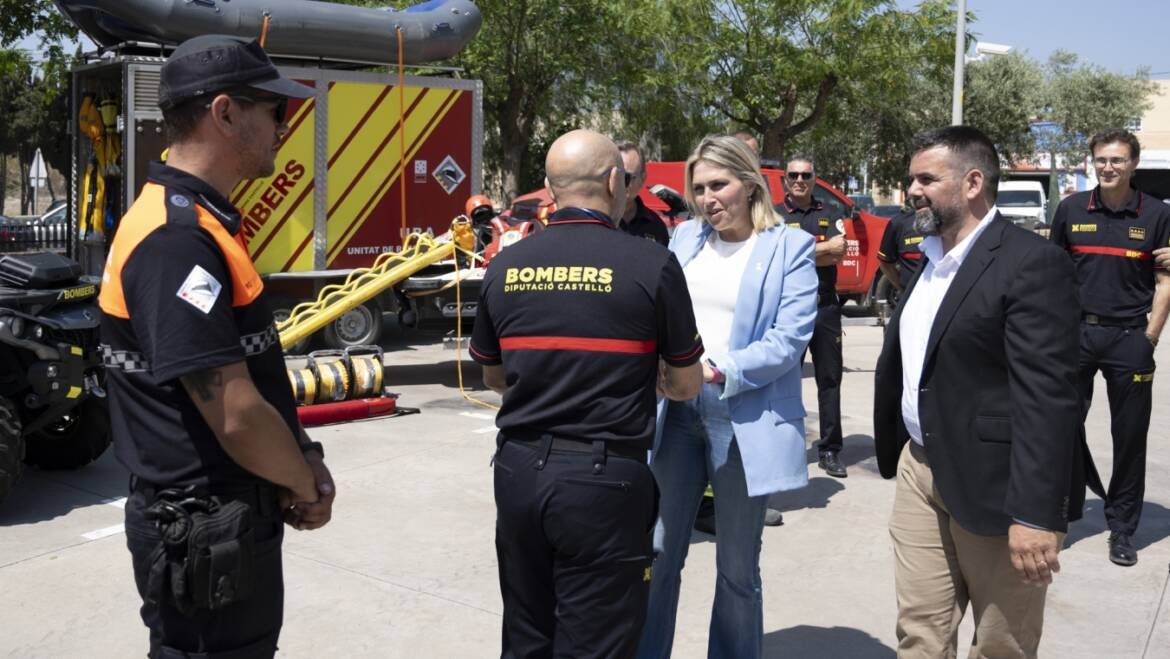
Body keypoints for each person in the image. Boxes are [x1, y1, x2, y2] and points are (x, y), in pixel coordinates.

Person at [98, 35, 334, 658]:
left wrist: (302, 451)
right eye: (274, 111)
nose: (284, 127)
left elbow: (253, 370)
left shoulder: (197, 221)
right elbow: (232, 412)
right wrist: (305, 483)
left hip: (223, 522)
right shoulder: (177, 240)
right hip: (205, 528)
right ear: (226, 113)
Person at [469, 128, 703, 658]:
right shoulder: (650, 263)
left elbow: (492, 375)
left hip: (520, 472)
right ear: (614, 181)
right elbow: (686, 384)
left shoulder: (506, 265)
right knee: (597, 641)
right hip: (604, 482)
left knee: (527, 634)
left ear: (551, 190)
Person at [874, 126, 1082, 658]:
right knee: (920, 632)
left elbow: (1049, 400)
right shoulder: (929, 258)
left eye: (926, 178)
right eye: (910, 178)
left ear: (971, 183)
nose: (911, 190)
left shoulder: (1030, 263)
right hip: (920, 470)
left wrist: (1037, 514)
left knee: (1001, 644)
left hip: (998, 485)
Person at [637, 135, 818, 659]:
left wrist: (718, 371)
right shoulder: (685, 238)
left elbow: (787, 340)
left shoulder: (790, 247)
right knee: (658, 550)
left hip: (741, 415)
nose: (708, 198)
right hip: (676, 412)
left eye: (719, 185)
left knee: (737, 566)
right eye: (699, 189)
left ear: (749, 183)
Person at [1049, 128, 1170, 566]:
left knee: (1130, 438)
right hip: (1074, 336)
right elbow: (1053, 277)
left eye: (1117, 160)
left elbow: (1165, 281)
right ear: (1092, 162)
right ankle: (1058, 516)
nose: (1108, 167)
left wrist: (1150, 337)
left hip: (1129, 339)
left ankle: (1122, 529)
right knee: (1059, 428)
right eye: (1101, 159)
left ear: (1133, 164)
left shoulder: (1156, 214)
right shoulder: (1070, 210)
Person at [774, 156, 849, 478]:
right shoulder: (774, 215)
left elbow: (840, 251)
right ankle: (782, 449)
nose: (800, 180)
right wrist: (821, 248)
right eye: (794, 175)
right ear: (785, 180)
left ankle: (830, 450)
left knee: (829, 380)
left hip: (825, 308)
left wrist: (797, 252)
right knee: (782, 382)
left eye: (806, 174)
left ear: (815, 178)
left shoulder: (830, 213)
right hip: (789, 309)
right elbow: (777, 256)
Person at [617, 141, 670, 246]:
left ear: (642, 179)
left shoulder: (656, 226)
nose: (621, 182)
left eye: (627, 177)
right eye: (618, 175)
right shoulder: (598, 221)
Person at [876, 203, 924, 292]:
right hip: (910, 298)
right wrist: (902, 288)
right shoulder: (898, 223)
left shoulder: (949, 224)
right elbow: (885, 263)